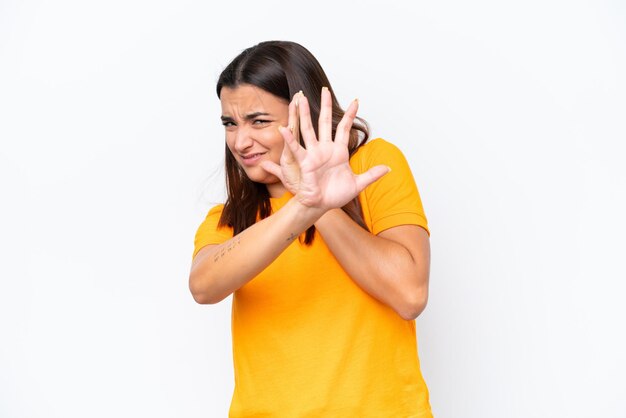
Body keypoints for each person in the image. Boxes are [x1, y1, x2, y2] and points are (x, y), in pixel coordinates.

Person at [189, 40, 433, 417]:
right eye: (229, 123)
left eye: (258, 121)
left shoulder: (372, 168)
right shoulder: (229, 217)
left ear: (304, 113)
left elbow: (409, 294)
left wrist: (324, 207)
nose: (240, 141)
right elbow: (204, 286)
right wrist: (304, 203)